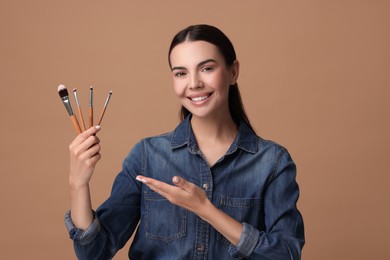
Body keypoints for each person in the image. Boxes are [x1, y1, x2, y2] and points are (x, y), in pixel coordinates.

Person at [65, 24, 305, 259]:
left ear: (233, 72)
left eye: (207, 68)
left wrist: (205, 209)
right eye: (181, 73)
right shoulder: (147, 155)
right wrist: (78, 183)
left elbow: (286, 253)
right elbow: (93, 253)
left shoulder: (272, 161)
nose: (194, 83)